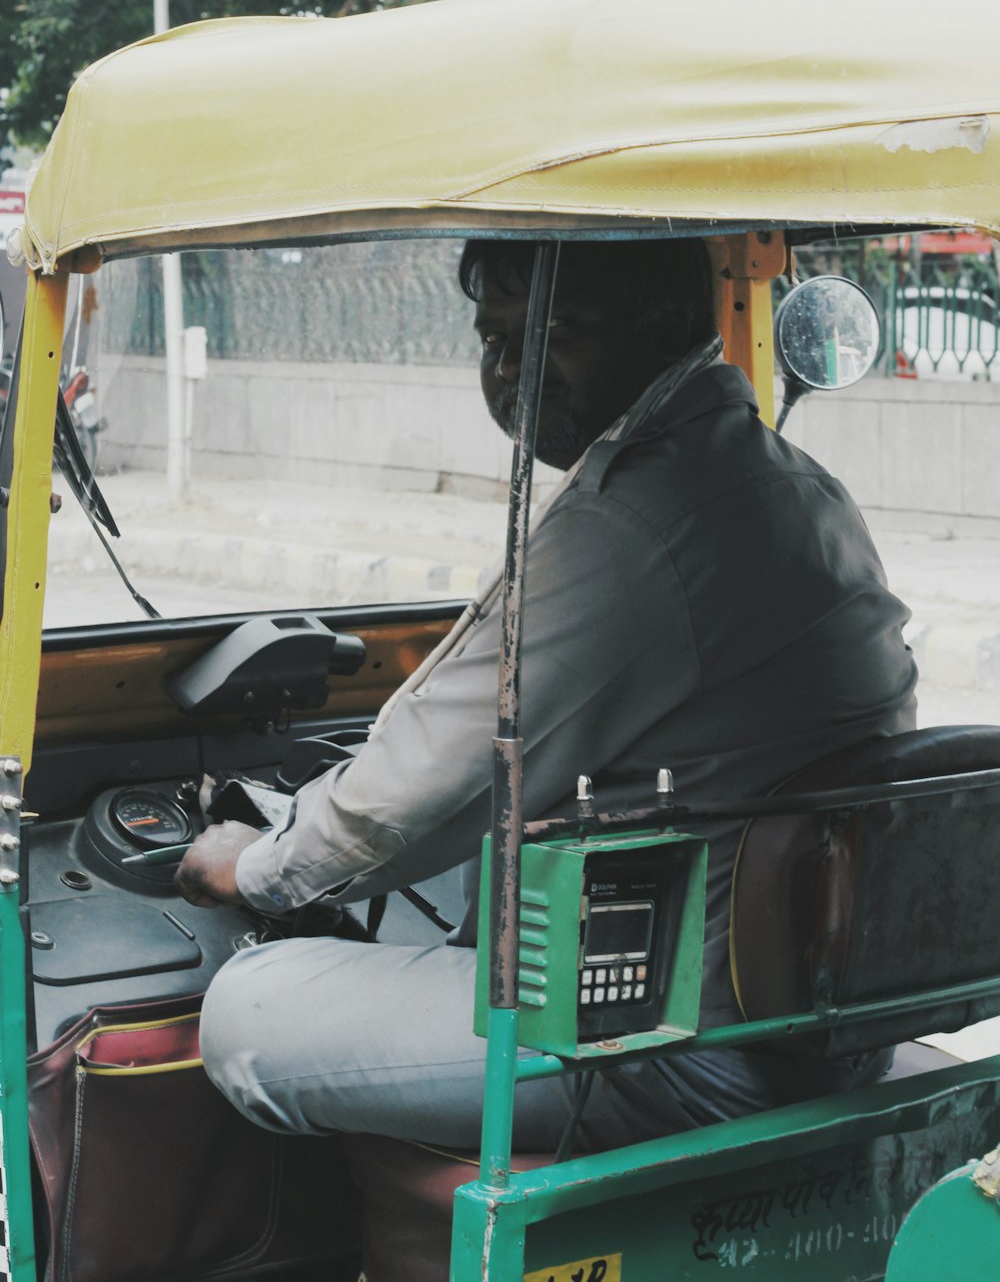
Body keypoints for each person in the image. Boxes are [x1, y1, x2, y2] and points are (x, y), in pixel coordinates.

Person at [178, 237, 917, 1151]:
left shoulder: (637, 523)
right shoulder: (797, 490)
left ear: (664, 327)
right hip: (814, 1026)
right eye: (494, 337)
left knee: (249, 1009)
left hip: (677, 1048)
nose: (512, 370)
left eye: (558, 332)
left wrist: (250, 865)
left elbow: (406, 801)